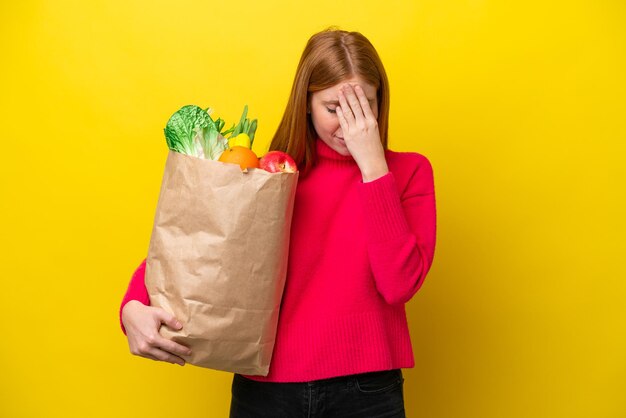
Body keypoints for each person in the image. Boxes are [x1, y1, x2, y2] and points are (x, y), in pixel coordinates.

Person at [120, 27, 436, 418]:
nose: (352, 124)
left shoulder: (408, 173)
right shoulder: (275, 172)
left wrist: (373, 165)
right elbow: (197, 244)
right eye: (335, 108)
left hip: (367, 391)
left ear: (381, 102)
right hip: (267, 392)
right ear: (307, 103)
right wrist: (132, 305)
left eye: (364, 106)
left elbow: (398, 285)